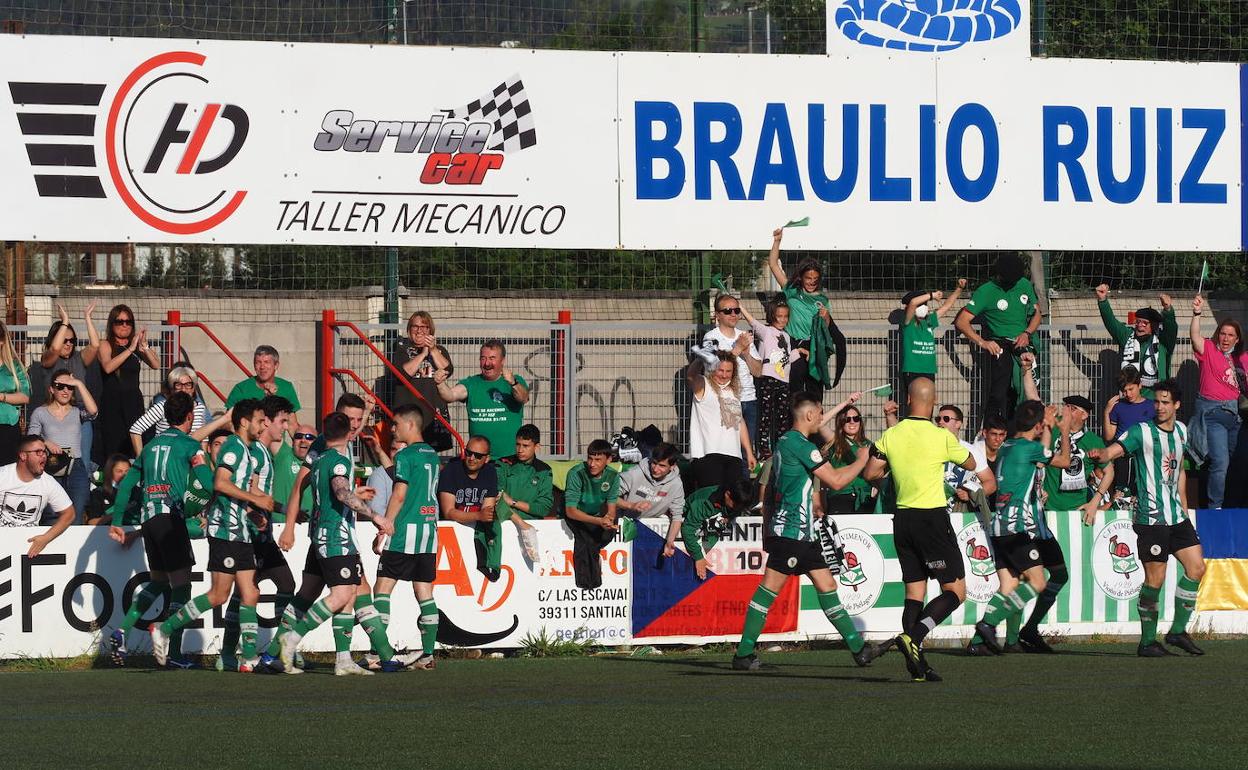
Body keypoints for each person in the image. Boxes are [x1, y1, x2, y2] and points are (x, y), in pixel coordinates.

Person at [734, 394, 885, 671]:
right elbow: (837, 481)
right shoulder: (802, 446)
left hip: (803, 534)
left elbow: (770, 496)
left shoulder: (786, 441)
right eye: (819, 413)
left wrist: (768, 531)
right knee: (767, 592)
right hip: (792, 532)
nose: (821, 417)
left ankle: (859, 649)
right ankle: (743, 654)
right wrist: (863, 459)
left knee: (828, 586)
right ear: (808, 416)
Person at [273, 412, 416, 675]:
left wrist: (355, 494)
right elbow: (340, 491)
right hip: (336, 537)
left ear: (324, 433)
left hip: (323, 535)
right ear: (350, 433)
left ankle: (345, 659)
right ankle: (289, 640)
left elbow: (331, 494)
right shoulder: (338, 461)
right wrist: (375, 515)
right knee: (343, 595)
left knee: (350, 593)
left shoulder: (320, 459)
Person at [149, 399, 275, 671]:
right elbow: (220, 483)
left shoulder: (246, 450)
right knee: (218, 596)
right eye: (260, 419)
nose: (264, 424)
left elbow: (231, 493)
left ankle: (248, 657)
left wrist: (253, 511)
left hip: (239, 529)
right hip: (224, 531)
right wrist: (256, 499)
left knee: (251, 593)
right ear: (244, 422)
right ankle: (165, 628)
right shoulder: (232, 448)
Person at [865, 377, 976, 683]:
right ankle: (914, 636)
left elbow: (870, 472)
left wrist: (897, 464)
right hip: (932, 519)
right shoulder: (941, 437)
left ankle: (918, 667)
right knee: (955, 591)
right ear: (933, 400)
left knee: (914, 592)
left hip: (902, 519)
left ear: (909, 401)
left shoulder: (891, 434)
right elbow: (971, 462)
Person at [1088, 380, 1206, 657]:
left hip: (1177, 517)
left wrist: (1186, 509)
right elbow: (1113, 451)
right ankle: (1147, 642)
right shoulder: (1141, 431)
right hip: (1150, 518)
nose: (1160, 407)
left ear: (1177, 405)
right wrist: (1101, 454)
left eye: (1166, 402)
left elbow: (1180, 473)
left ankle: (1177, 632)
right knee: (1156, 580)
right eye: (1157, 402)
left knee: (1197, 568)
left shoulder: (1181, 431)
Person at [104, 393, 213, 667]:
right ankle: (175, 654)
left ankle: (123, 630)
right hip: (171, 519)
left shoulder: (150, 447)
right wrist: (201, 501)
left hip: (149, 521)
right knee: (182, 586)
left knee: (160, 581)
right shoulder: (191, 445)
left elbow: (127, 483)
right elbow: (206, 482)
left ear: (166, 417)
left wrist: (117, 520)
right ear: (190, 417)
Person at [969, 398, 1072, 657]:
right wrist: (1065, 429)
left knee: (1009, 584)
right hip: (1021, 526)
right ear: (1036, 426)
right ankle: (990, 625)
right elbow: (1063, 462)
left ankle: (981, 642)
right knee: (1038, 581)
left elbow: (1039, 459)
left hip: (999, 526)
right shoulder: (1028, 449)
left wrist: (1045, 427)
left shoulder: (1008, 446)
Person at [218, 396, 297, 673]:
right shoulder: (256, 454)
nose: (284, 427)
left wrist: (289, 512)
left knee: (246, 592)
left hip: (256, 529)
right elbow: (252, 492)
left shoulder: (262, 453)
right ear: (266, 424)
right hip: (252, 531)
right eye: (281, 421)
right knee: (275, 586)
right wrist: (281, 512)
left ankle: (233, 654)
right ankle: (272, 651)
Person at [372, 403, 442, 671]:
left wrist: (385, 525)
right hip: (428, 532)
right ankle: (427, 655)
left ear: (410, 425)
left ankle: (379, 652)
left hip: (405, 532)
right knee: (424, 593)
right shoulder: (433, 455)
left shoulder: (405, 455)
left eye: (395, 424)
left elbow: (399, 494)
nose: (392, 429)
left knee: (382, 590)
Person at [954, 254, 1041, 424]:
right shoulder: (986, 291)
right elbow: (961, 321)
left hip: (1022, 342)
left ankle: (1024, 430)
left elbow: (1037, 313)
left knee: (1025, 389)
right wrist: (983, 342)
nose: (1012, 282)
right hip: (1000, 343)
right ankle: (991, 431)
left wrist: (1027, 333)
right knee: (999, 392)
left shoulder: (1024, 284)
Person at [1187, 295, 1246, 509]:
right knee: (1220, 464)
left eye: (1231, 335)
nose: (1226, 338)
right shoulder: (1209, 349)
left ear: (1237, 339)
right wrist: (1196, 313)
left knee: (1237, 466)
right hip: (1213, 416)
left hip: (1237, 419)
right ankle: (1216, 508)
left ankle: (1234, 506)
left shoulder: (1242, 359)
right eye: (1223, 333)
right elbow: (1194, 335)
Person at [766, 227, 838, 396]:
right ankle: (793, 420)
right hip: (791, 344)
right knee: (794, 387)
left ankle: (816, 418)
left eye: (815, 279)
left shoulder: (823, 300)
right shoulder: (792, 291)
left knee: (815, 388)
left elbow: (827, 328)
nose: (812, 282)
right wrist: (777, 241)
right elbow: (774, 265)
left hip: (812, 346)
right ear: (801, 277)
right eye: (808, 278)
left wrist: (826, 317)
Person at [31, 303, 101, 468]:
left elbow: (95, 346)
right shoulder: (48, 358)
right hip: (54, 418)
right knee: (54, 464)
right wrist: (65, 321)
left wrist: (87, 318)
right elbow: (54, 348)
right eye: (64, 340)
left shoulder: (79, 358)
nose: (68, 344)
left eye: (72, 340)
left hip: (79, 416)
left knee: (81, 463)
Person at [436, 340, 528, 458]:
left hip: (509, 458)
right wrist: (440, 383)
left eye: (492, 358)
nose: (487, 363)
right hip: (479, 459)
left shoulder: (513, 381)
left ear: (502, 360)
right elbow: (450, 395)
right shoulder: (472, 383)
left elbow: (523, 398)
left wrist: (513, 383)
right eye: (483, 358)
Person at [27, 369, 98, 521]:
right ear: (51, 389)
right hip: (51, 466)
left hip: (76, 466)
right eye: (60, 386)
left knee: (77, 514)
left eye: (69, 387)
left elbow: (93, 411)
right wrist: (46, 442)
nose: (66, 390)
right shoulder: (40, 412)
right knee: (52, 515)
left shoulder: (77, 411)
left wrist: (78, 383)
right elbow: (31, 438)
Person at [96, 304, 160, 462]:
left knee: (134, 447)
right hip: (113, 405)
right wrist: (130, 349)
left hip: (133, 404)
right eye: (120, 321)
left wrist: (143, 346)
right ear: (112, 324)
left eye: (128, 322)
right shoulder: (105, 344)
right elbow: (108, 367)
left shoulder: (135, 347)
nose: (124, 325)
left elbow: (156, 364)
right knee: (114, 450)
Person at [686, 350, 756, 490]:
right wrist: (701, 358)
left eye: (728, 371)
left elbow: (739, 422)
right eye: (720, 370)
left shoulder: (732, 392)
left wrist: (749, 452)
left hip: (733, 455)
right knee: (712, 500)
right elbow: (691, 376)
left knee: (730, 502)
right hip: (708, 455)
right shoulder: (704, 385)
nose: (724, 375)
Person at [701, 293, 762, 449]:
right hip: (726, 398)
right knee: (729, 448)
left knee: (747, 449)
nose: (733, 314)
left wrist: (746, 353)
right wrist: (738, 349)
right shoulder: (710, 338)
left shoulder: (743, 336)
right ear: (717, 315)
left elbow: (758, 371)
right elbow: (713, 370)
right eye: (728, 311)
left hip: (749, 398)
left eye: (736, 310)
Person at [739, 297, 798, 460]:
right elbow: (752, 322)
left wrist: (799, 353)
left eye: (785, 316)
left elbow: (785, 359)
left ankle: (780, 449)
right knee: (765, 415)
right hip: (768, 379)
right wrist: (740, 307)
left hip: (783, 381)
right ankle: (764, 451)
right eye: (779, 316)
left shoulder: (786, 336)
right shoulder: (766, 331)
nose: (783, 320)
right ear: (772, 316)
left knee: (782, 417)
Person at [389, 311, 455, 451]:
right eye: (415, 326)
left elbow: (448, 369)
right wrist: (423, 354)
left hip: (433, 416)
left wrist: (432, 350)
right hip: (409, 417)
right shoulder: (402, 351)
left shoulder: (440, 350)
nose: (419, 330)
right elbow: (403, 374)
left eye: (424, 327)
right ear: (409, 330)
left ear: (430, 330)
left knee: (431, 456)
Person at [0, 435, 75, 555]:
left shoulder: (48, 482)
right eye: (38, 452)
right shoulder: (3, 475)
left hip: (29, 546)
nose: (44, 456)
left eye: (45, 452)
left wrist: (46, 538)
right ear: (23, 455)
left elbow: (69, 514)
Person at [1095, 285, 1177, 395]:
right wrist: (1102, 300)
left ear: (1154, 325)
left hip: (1156, 401)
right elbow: (1111, 323)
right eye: (1138, 321)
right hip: (1130, 399)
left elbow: (1171, 328)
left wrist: (1168, 310)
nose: (1140, 325)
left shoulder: (1163, 342)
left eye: (1145, 323)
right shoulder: (1128, 336)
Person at [563, 439, 621, 590]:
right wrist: (598, 521)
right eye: (590, 458)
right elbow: (571, 511)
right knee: (586, 538)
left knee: (608, 531)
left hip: (596, 515)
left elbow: (612, 506)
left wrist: (608, 519)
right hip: (575, 515)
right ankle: (588, 583)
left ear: (609, 460)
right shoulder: (576, 473)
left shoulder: (613, 476)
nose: (592, 464)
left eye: (597, 460)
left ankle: (590, 579)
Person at [493, 423, 553, 566]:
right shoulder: (503, 463)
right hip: (504, 525)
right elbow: (497, 498)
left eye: (525, 446)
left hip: (534, 529)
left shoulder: (544, 470)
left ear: (536, 447)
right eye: (518, 445)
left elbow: (544, 508)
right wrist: (521, 523)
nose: (520, 450)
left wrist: (513, 502)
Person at [438, 435, 499, 576]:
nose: (471, 458)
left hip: (476, 533)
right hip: (450, 534)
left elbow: (488, 512)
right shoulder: (451, 471)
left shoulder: (490, 472)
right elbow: (448, 512)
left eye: (477, 456)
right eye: (468, 453)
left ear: (487, 459)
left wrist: (481, 516)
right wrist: (478, 515)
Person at [680, 477, 758, 580]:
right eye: (735, 505)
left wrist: (729, 517)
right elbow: (688, 529)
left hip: (710, 537)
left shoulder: (737, 501)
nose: (738, 509)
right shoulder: (703, 503)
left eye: (742, 507)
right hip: (691, 527)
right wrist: (698, 557)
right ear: (727, 494)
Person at [616, 442, 685, 557]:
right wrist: (631, 506)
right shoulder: (635, 473)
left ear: (672, 467)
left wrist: (669, 542)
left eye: (662, 466)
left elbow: (677, 515)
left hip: (652, 531)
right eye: (654, 463)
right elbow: (609, 497)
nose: (656, 469)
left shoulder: (676, 484)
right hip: (625, 528)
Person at [129, 365, 215, 455]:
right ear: (171, 388)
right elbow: (136, 429)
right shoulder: (163, 406)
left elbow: (204, 439)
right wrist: (141, 459)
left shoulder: (199, 407)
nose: (183, 389)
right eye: (178, 385)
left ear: (193, 388)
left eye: (188, 385)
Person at [815, 393, 876, 513]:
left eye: (856, 418)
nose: (852, 422)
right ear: (841, 422)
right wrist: (845, 402)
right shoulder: (835, 440)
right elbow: (818, 424)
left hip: (865, 498)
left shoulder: (869, 444)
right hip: (841, 496)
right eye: (847, 419)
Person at [899, 279, 965, 390]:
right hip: (913, 370)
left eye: (925, 304)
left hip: (929, 370)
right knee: (915, 403)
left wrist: (959, 289)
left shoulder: (929, 321)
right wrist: (932, 295)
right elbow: (913, 303)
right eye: (922, 304)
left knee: (928, 401)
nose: (925, 307)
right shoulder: (908, 323)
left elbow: (946, 307)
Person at [935, 405, 997, 518]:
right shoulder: (929, 447)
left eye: (946, 419)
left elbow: (991, 483)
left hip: (959, 514)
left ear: (958, 423)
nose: (941, 422)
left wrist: (970, 494)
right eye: (938, 419)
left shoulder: (971, 450)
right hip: (932, 511)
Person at [225, 345, 302, 418]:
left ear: (276, 365)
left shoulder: (286, 387)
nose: (262, 367)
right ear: (254, 365)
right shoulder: (241, 389)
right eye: (258, 362)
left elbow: (292, 424)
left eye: (266, 362)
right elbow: (227, 422)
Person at [0, 321, 31, 466]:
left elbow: (25, 396)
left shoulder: (14, 367)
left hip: (8, 428)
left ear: (1, 341)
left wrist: (2, 396)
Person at [86, 454, 132, 526]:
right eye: (119, 471)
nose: (124, 475)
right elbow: (91, 522)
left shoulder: (138, 492)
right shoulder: (99, 493)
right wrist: (116, 513)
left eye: (127, 471)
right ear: (110, 472)